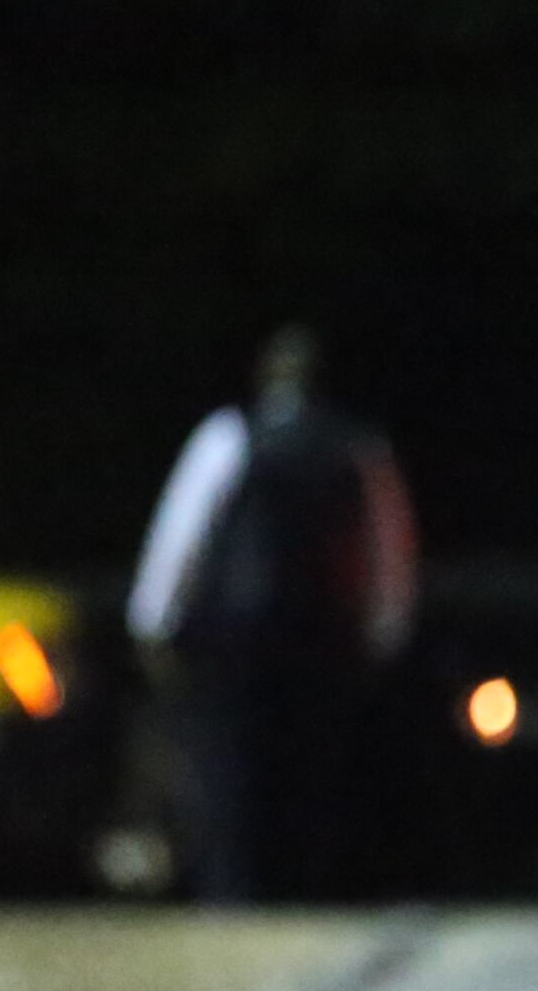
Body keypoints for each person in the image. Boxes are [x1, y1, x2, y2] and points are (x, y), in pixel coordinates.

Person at [124, 326, 417, 902]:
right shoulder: (358, 447)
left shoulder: (229, 435)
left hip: (235, 628)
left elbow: (182, 534)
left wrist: (153, 618)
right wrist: (386, 628)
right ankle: (304, 886)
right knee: (311, 766)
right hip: (324, 628)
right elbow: (390, 547)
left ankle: (232, 890)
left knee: (227, 762)